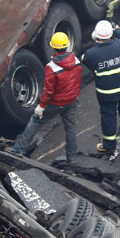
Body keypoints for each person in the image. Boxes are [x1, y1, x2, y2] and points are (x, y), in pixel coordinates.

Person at [10, 32, 81, 163]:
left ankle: (19, 150)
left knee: (35, 121)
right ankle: (72, 158)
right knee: (70, 128)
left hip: (55, 103)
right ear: (67, 46)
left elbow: (48, 91)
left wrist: (41, 107)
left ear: (54, 47)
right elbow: (76, 81)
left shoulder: (51, 67)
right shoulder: (76, 61)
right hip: (71, 101)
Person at [82, 20, 120, 154]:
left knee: (108, 116)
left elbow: (85, 60)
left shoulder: (91, 54)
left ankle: (108, 144)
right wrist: (117, 29)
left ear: (97, 36)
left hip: (106, 92)